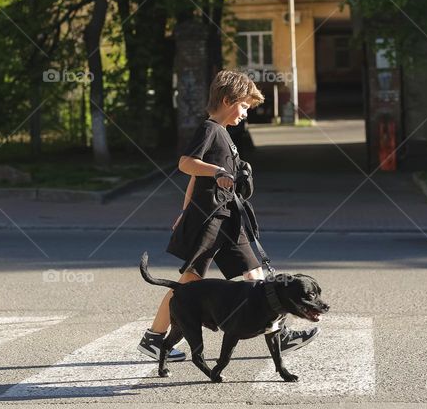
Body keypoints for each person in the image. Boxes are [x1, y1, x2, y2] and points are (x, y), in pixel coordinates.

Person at [137, 70, 319, 361]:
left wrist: (184, 208)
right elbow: (187, 164)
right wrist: (218, 173)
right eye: (244, 105)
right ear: (227, 100)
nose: (246, 113)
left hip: (228, 217)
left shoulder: (223, 134)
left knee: (255, 274)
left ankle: (279, 334)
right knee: (189, 284)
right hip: (210, 218)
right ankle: (155, 339)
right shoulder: (210, 129)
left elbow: (195, 178)